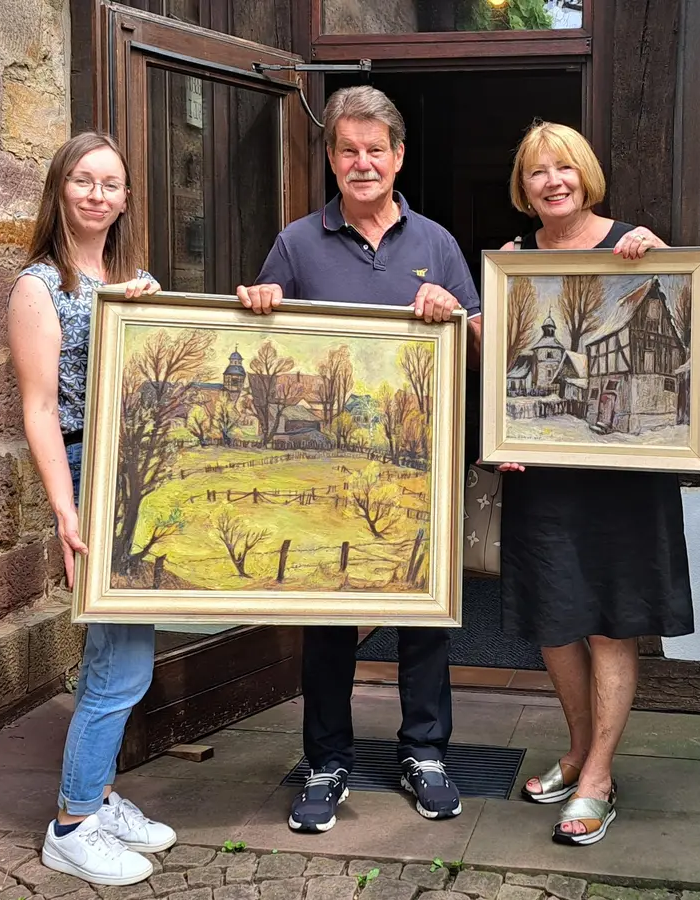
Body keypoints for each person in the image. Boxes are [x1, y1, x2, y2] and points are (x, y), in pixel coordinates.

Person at [233, 85, 483, 833]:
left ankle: (425, 752)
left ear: (399, 157)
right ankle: (325, 760)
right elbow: (265, 324)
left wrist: (455, 315)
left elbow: (479, 348)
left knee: (425, 611)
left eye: (377, 150)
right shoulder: (298, 242)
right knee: (327, 616)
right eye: (349, 150)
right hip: (330, 469)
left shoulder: (436, 243)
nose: (363, 163)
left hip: (419, 463)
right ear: (333, 159)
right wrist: (258, 302)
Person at [494, 121, 700, 846]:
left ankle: (599, 775)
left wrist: (663, 259)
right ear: (524, 186)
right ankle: (575, 751)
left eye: (563, 168)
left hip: (628, 479)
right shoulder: (511, 260)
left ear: (586, 174)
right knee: (556, 620)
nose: (552, 182)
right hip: (543, 475)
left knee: (610, 621)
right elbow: (493, 366)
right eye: (537, 172)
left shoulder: (633, 240)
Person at [7, 131, 176, 885]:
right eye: (84, 181)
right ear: (60, 189)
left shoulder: (136, 275)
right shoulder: (39, 287)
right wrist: (65, 510)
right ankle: (72, 823)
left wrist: (157, 316)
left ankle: (99, 796)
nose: (98, 195)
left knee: (125, 652)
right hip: (86, 467)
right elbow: (41, 410)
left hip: (135, 469)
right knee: (117, 660)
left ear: (126, 199)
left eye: (111, 184)